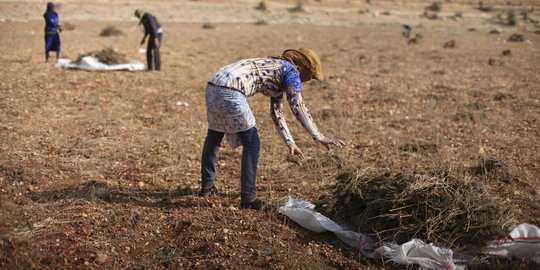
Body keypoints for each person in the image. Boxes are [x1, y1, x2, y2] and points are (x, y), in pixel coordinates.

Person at [199, 48, 346, 210]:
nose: (306, 81)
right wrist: (319, 136)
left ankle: (207, 186)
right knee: (252, 142)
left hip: (213, 85)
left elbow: (277, 113)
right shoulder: (291, 72)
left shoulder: (276, 67)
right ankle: (248, 197)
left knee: (214, 135)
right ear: (303, 67)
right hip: (231, 90)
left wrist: (290, 142)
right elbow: (297, 105)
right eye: (310, 76)